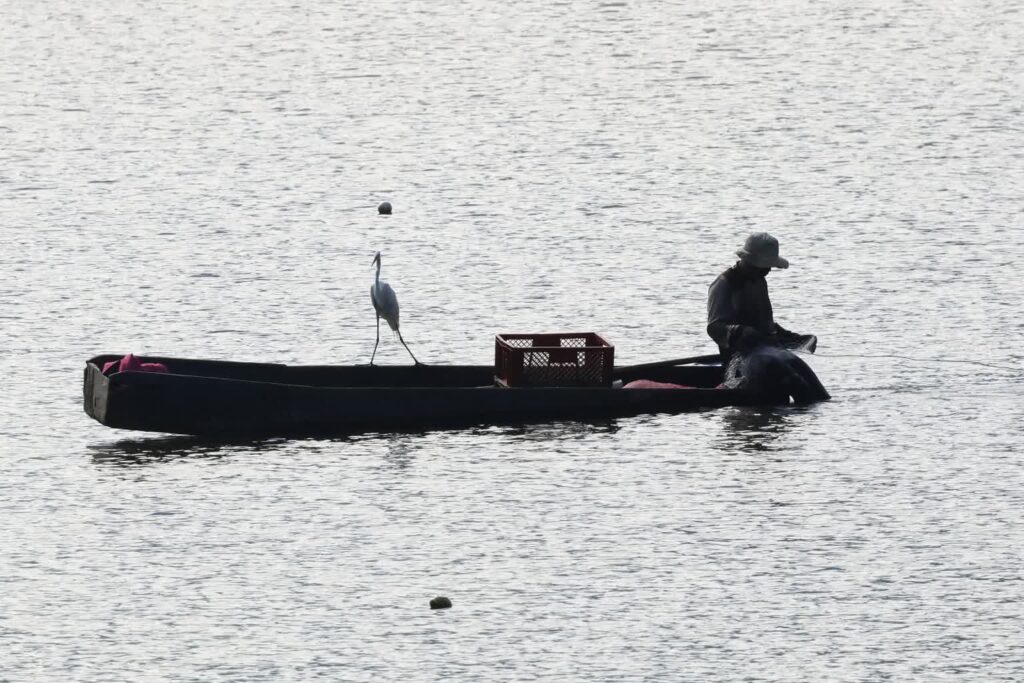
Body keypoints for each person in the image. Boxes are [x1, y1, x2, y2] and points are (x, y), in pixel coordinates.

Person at [707, 233, 828, 402]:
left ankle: (813, 416)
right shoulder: (724, 284)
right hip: (740, 359)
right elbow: (714, 327)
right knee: (783, 371)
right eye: (765, 266)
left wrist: (797, 339)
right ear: (749, 261)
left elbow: (767, 327)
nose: (768, 270)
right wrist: (741, 331)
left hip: (769, 352)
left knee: (798, 367)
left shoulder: (759, 281)